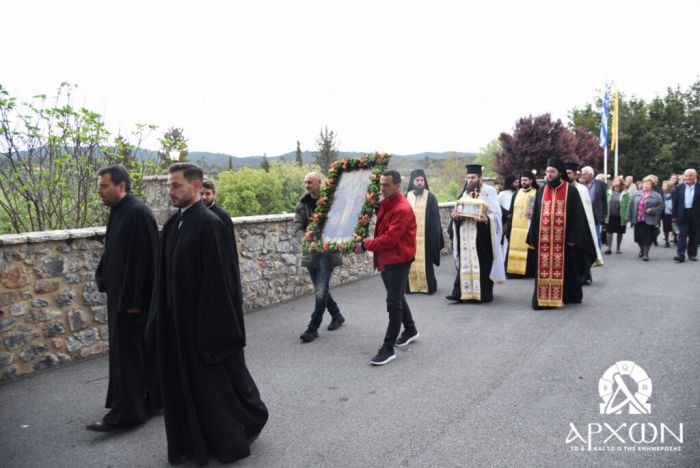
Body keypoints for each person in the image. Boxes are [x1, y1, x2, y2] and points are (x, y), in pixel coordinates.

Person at [148, 163, 268, 465]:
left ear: (196, 186)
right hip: (179, 326)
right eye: (168, 185)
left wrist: (212, 330)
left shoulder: (209, 223)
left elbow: (220, 281)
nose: (169, 191)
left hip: (204, 326)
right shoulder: (174, 223)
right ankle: (195, 441)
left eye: (176, 185)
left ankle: (243, 428)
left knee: (221, 388)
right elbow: (164, 278)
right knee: (193, 390)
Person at [88, 165, 160, 432]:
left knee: (129, 357)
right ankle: (150, 402)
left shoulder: (138, 214)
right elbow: (114, 252)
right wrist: (103, 275)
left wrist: (133, 303)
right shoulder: (119, 212)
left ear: (121, 185)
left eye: (103, 186)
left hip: (131, 304)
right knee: (131, 356)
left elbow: (144, 263)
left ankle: (128, 414)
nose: (99, 191)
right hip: (122, 298)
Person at [355, 170, 418, 366]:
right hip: (388, 259)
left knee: (393, 303)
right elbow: (381, 215)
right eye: (381, 184)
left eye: (386, 185)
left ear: (397, 186)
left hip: (397, 260)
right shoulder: (388, 203)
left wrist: (365, 244)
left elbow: (389, 239)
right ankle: (410, 330)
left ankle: (388, 348)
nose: (382, 188)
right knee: (397, 296)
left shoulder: (401, 208)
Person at [527, 158, 596, 310]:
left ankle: (566, 296)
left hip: (564, 241)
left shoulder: (570, 190)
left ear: (560, 173)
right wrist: (533, 237)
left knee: (567, 269)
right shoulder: (542, 190)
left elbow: (578, 216)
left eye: (552, 172)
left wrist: (573, 237)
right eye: (547, 172)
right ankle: (543, 299)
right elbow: (536, 215)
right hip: (544, 241)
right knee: (542, 269)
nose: (549, 175)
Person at [294, 171, 345, 342]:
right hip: (311, 254)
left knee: (321, 292)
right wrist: (304, 239)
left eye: (310, 182)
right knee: (320, 290)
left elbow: (341, 223)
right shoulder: (302, 203)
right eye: (305, 182)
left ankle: (312, 328)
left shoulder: (332, 201)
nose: (307, 185)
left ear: (319, 183)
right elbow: (298, 225)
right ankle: (337, 315)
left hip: (327, 254)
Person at [446, 164, 505, 303]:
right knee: (465, 263)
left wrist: (486, 219)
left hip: (483, 236)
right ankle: (460, 293)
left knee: (483, 264)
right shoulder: (465, 193)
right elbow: (459, 211)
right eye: (468, 178)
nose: (470, 180)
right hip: (466, 236)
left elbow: (496, 215)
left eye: (473, 177)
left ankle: (482, 295)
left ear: (480, 178)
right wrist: (456, 217)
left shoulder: (489, 191)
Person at [405, 169, 444, 294]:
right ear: (412, 182)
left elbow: (435, 220)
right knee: (409, 263)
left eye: (422, 180)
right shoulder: (406, 197)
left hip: (425, 239)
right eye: (417, 180)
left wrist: (434, 238)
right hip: (409, 239)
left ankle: (427, 286)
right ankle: (411, 286)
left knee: (425, 263)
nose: (420, 183)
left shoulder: (430, 197)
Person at [565, 163, 604, 285]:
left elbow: (587, 210)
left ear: (575, 175)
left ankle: (583, 276)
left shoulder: (581, 189)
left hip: (580, 226)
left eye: (569, 173)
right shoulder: (561, 188)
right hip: (565, 226)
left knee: (580, 253)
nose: (567, 175)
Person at [504, 170, 538, 278]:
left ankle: (528, 272)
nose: (523, 182)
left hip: (528, 226)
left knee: (528, 248)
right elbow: (511, 211)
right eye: (522, 180)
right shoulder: (516, 193)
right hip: (515, 228)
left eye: (525, 180)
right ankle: (513, 272)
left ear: (531, 181)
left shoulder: (537, 192)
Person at [627, 176, 664, 262]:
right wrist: (628, 216)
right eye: (644, 184)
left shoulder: (657, 195)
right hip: (638, 219)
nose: (646, 185)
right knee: (638, 238)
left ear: (652, 185)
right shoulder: (636, 194)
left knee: (647, 238)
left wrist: (653, 210)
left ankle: (646, 254)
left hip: (649, 220)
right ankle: (642, 249)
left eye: (648, 184)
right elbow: (630, 205)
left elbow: (661, 207)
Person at [672, 168, 700, 262]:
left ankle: (692, 254)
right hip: (683, 213)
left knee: (694, 235)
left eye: (691, 175)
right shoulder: (679, 187)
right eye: (686, 176)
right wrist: (674, 216)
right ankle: (681, 255)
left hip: (695, 214)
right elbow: (675, 203)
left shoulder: (699, 186)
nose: (688, 177)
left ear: (695, 176)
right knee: (682, 235)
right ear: (684, 177)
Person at [580, 166, 608, 248]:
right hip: (584, 214)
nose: (582, 176)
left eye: (584, 174)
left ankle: (597, 253)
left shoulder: (601, 184)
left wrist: (605, 212)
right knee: (585, 235)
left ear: (591, 174)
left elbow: (604, 199)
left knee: (596, 235)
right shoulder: (581, 185)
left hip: (596, 214)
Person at [604, 176, 630, 255]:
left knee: (620, 232)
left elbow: (628, 205)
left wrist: (627, 216)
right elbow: (605, 202)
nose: (615, 182)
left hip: (620, 216)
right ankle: (609, 248)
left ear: (621, 182)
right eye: (614, 180)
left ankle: (618, 248)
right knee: (609, 232)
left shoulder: (626, 193)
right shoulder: (608, 192)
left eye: (617, 181)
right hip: (610, 215)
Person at [661, 180, 676, 248]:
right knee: (665, 228)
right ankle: (666, 241)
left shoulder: (674, 194)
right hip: (665, 213)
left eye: (664, 185)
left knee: (675, 227)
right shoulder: (662, 194)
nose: (662, 186)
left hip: (673, 213)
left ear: (669, 186)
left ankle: (676, 239)